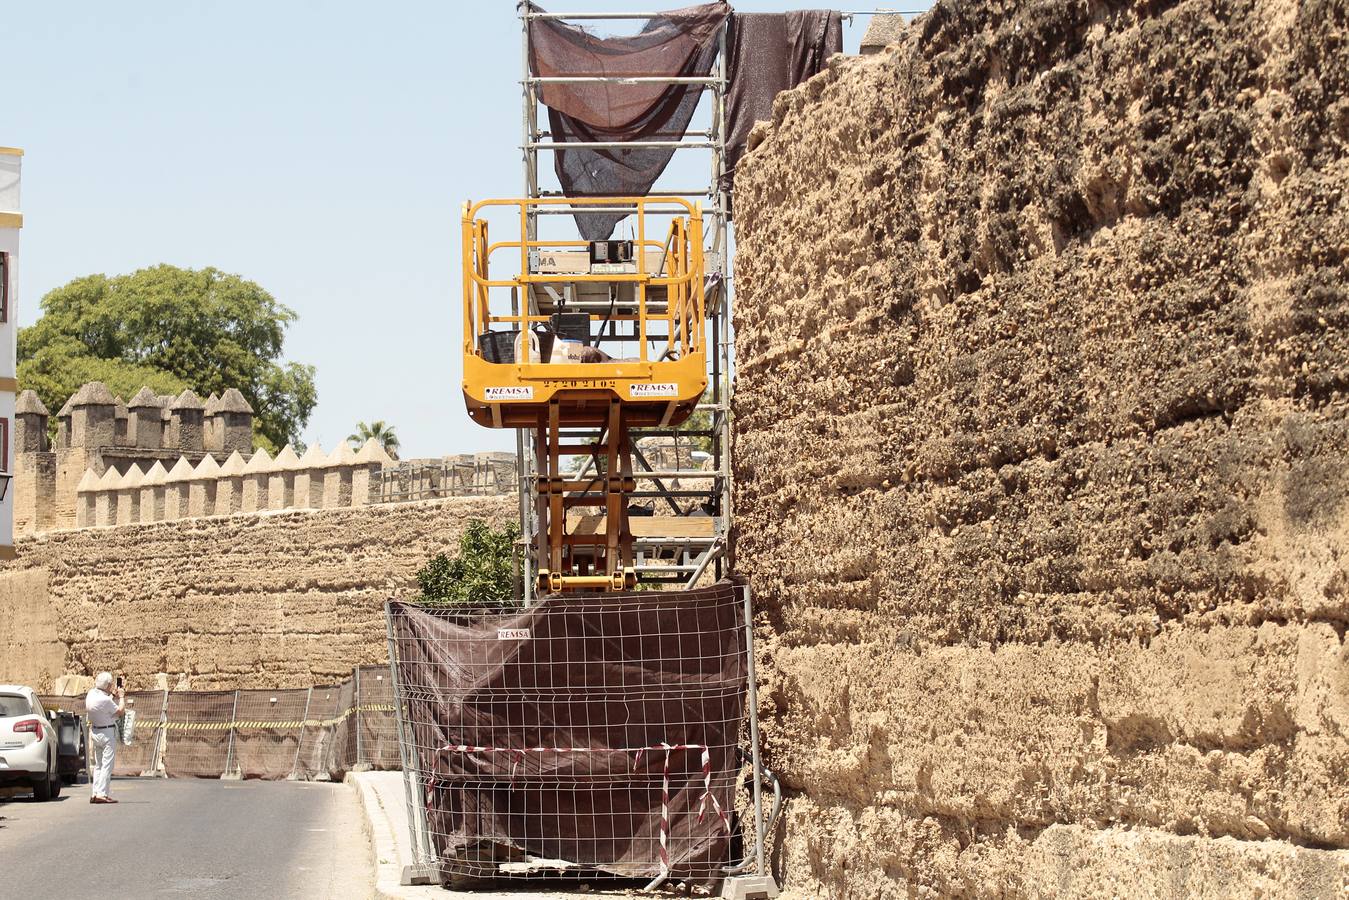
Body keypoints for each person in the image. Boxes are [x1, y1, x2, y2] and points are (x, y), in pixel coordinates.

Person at [84, 672, 124, 804]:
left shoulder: (91, 694)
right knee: (107, 765)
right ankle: (102, 793)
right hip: (107, 733)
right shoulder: (106, 700)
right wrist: (122, 697)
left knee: (99, 765)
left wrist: (113, 695)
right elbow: (120, 712)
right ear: (107, 685)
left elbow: (103, 703)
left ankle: (95, 792)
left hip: (95, 732)